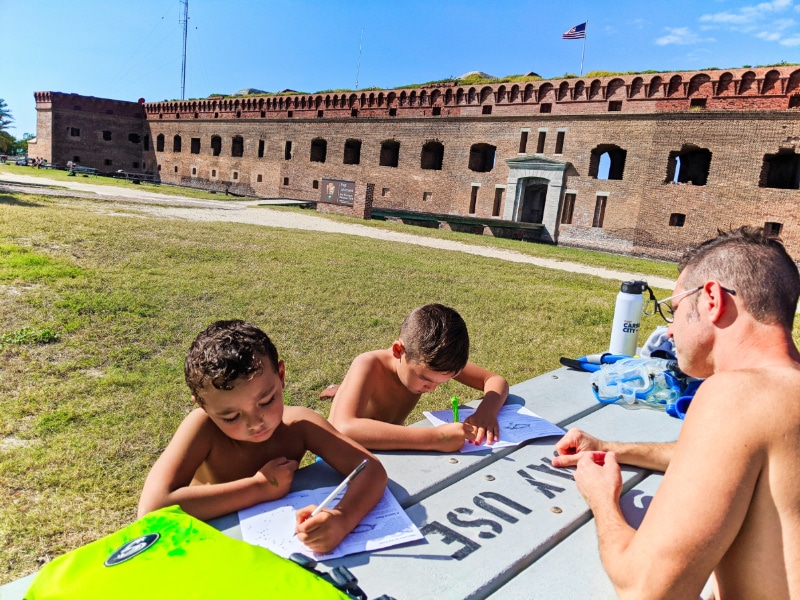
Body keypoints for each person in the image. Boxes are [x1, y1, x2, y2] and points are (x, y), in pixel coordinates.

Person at [553, 226, 800, 599]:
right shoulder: (783, 393)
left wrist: (602, 497)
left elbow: (645, 589)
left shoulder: (738, 393)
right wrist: (611, 447)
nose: (669, 333)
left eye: (675, 309)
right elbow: (722, 459)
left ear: (712, 299)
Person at [138, 319, 387, 554]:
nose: (255, 422)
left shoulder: (300, 425)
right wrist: (259, 488)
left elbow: (370, 470)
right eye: (231, 417)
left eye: (266, 401)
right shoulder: (202, 428)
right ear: (203, 406)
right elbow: (153, 507)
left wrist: (342, 518)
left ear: (281, 376)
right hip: (212, 545)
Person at [328, 303, 509, 452]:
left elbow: (495, 381)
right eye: (426, 380)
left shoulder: (438, 363)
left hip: (388, 452)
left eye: (441, 382)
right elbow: (344, 428)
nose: (432, 389)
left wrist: (486, 412)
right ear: (399, 351)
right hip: (340, 456)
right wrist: (437, 438)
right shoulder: (368, 364)